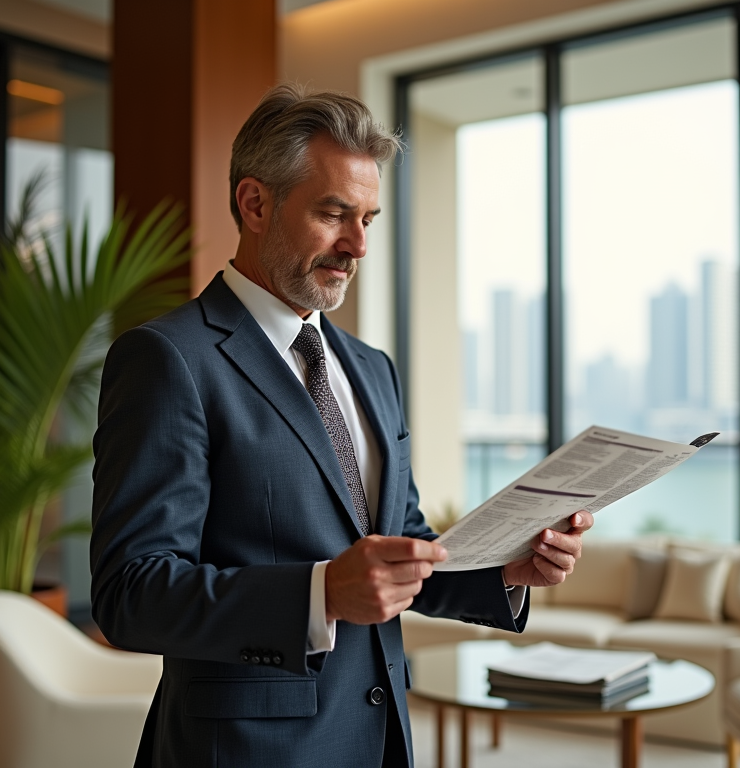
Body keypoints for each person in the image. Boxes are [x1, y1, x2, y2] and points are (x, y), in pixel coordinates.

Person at [90, 83, 593, 768]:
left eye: (368, 219)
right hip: (244, 752)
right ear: (255, 203)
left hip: (380, 740)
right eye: (334, 214)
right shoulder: (169, 358)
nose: (357, 244)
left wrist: (505, 568)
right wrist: (320, 592)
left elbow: (398, 546)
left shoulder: (371, 367)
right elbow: (131, 594)